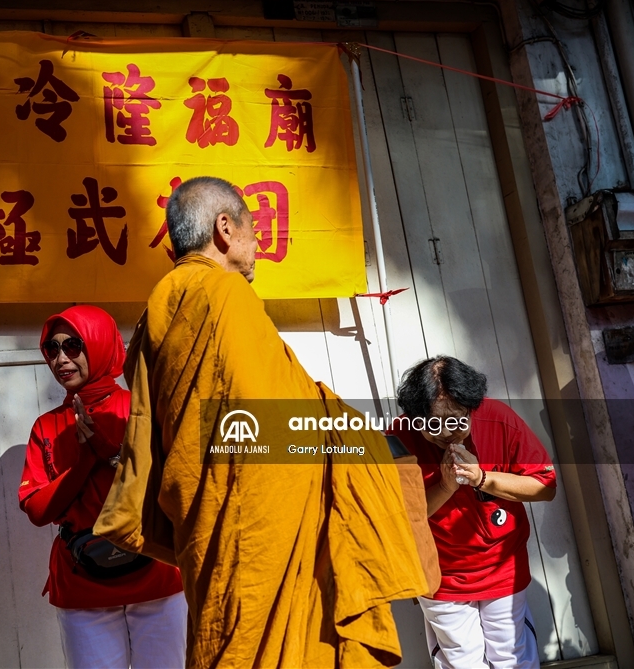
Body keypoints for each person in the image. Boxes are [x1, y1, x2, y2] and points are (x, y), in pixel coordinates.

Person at [94, 176, 430, 668]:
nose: (258, 244)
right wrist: (348, 432)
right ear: (224, 228)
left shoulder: (160, 305)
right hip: (254, 531)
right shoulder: (223, 295)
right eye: (253, 228)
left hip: (208, 519)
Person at [19, 305, 186, 669]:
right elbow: (36, 510)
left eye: (73, 345)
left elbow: (176, 486)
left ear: (99, 344)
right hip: (83, 584)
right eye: (52, 348)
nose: (61, 358)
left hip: (157, 574)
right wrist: (84, 463)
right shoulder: (46, 427)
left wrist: (113, 455)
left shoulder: (142, 410)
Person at [388, 356, 556, 669]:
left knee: (512, 658)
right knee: (461, 662)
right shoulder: (398, 438)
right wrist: (445, 486)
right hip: (442, 577)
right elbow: (401, 516)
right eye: (432, 425)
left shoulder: (498, 419)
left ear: (471, 407)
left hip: (503, 566)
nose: (446, 433)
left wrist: (482, 478)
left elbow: (544, 486)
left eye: (456, 421)